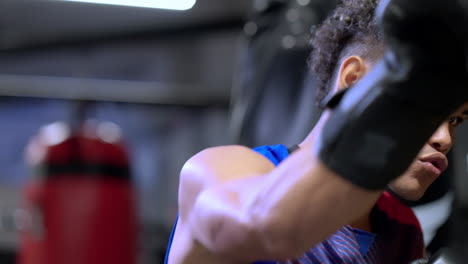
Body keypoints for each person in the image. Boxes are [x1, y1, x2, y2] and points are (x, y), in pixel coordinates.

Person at [165, 0, 468, 263]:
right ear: (353, 80)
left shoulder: (400, 228)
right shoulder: (215, 171)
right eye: (422, 108)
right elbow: (266, 226)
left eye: (455, 121)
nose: (444, 139)